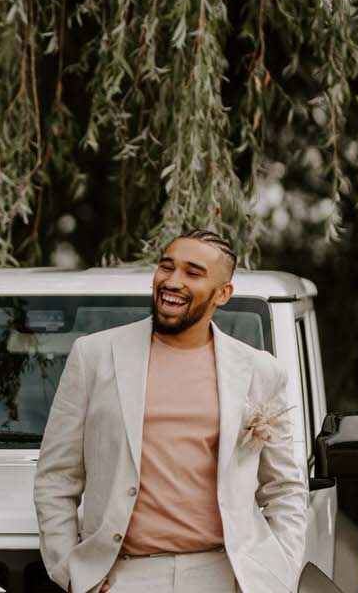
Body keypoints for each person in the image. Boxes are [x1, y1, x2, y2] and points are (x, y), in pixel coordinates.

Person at [33, 229, 307, 593]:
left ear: (222, 293)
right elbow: (57, 476)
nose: (172, 281)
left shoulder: (260, 370)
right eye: (167, 267)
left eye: (193, 273)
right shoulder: (94, 355)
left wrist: (280, 573)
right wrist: (70, 568)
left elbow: (284, 487)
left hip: (227, 575)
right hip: (122, 578)